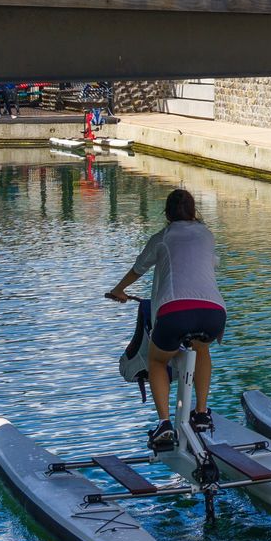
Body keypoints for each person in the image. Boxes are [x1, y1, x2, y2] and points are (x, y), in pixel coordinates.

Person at [106, 187, 226, 452]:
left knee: (157, 359)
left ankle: (164, 424)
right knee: (201, 349)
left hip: (175, 313)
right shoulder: (207, 235)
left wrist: (118, 291)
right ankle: (202, 413)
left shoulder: (162, 238)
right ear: (194, 211)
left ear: (167, 214)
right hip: (214, 312)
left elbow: (138, 269)